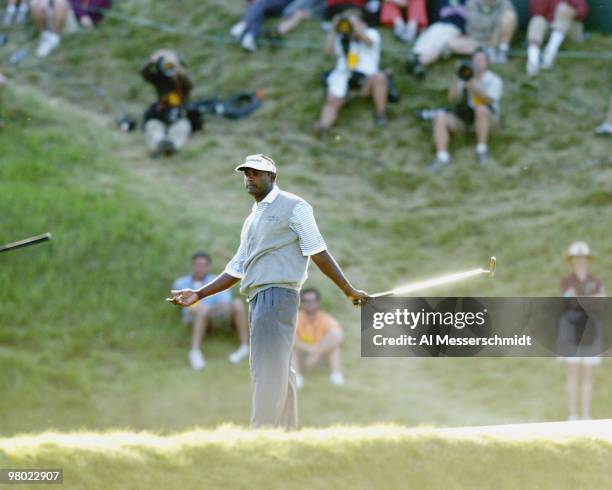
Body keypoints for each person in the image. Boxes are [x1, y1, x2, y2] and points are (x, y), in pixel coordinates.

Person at [168, 154, 369, 429]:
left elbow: (317, 250)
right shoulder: (253, 217)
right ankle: (286, 431)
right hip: (260, 297)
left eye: (256, 173)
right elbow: (237, 267)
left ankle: (261, 430)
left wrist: (347, 289)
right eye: (246, 173)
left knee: (265, 367)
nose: (249, 177)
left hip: (277, 295)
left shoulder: (294, 206)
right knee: (278, 368)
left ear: (272, 177)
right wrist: (199, 294)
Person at [173, 252, 250, 370]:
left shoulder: (216, 281)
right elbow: (182, 304)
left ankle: (245, 347)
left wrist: (207, 309)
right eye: (198, 265)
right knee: (200, 310)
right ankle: (195, 351)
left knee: (237, 304)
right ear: (193, 266)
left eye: (204, 265)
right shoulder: (181, 283)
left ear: (208, 267)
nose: (200, 268)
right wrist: (200, 308)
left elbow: (225, 303)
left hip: (214, 316)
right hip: (192, 316)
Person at [315, 11, 387, 136]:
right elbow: (328, 51)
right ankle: (323, 126)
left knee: (379, 77)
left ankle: (380, 115)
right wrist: (334, 28)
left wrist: (355, 27)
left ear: (363, 23)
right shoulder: (342, 38)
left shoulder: (372, 33)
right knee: (332, 100)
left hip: (366, 77)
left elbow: (368, 42)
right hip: (344, 76)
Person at [428, 48, 502, 170]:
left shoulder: (494, 80)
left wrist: (473, 88)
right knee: (440, 117)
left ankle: (482, 150)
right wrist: (456, 78)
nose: (477, 63)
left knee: (481, 110)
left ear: (487, 63)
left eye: (481, 60)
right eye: (475, 60)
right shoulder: (464, 77)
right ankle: (442, 156)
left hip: (488, 120)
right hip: (464, 120)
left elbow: (489, 100)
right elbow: (451, 99)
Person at [557, 241, 606, 421]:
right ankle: (573, 415)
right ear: (572, 261)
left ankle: (586, 415)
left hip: (590, 331)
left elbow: (601, 304)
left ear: (587, 259)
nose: (579, 261)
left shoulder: (596, 281)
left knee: (587, 373)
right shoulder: (566, 282)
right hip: (571, 331)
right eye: (576, 258)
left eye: (582, 258)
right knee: (572, 372)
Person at [141, 49, 193, 158]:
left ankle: (172, 146)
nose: (169, 67)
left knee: (183, 127)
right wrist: (152, 61)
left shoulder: (182, 81)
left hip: (178, 115)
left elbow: (189, 85)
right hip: (161, 114)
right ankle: (160, 143)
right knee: (152, 126)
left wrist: (179, 70)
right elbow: (144, 73)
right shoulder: (160, 79)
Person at [293, 288, 345, 389]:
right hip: (302, 352)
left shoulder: (325, 318)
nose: (309, 304)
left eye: (312, 301)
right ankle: (297, 377)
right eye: (305, 301)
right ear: (301, 303)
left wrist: (316, 352)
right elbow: (288, 338)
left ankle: (336, 375)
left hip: (320, 354)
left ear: (318, 302)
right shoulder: (295, 317)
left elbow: (338, 335)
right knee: (290, 349)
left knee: (334, 348)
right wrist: (309, 349)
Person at [526, 0, 587, 77]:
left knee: (563, 9)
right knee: (537, 20)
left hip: (571, 29)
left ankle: (549, 55)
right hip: (550, 26)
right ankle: (533, 61)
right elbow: (537, 11)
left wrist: (570, 12)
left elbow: (582, 11)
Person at [407, 0, 467, 78]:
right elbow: (435, 15)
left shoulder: (466, 2)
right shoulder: (442, 1)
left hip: (456, 28)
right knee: (431, 33)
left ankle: (420, 63)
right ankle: (417, 57)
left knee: (442, 40)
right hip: (440, 25)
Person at [30, 0, 111, 57]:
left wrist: (85, 17)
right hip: (62, 16)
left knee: (61, 2)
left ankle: (53, 39)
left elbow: (94, 15)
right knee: (35, 2)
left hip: (75, 23)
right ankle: (45, 35)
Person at [448, 0, 517, 64]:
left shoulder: (503, 1)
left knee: (509, 17)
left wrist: (495, 25)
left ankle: (502, 51)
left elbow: (510, 13)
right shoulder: (472, 2)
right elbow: (475, 22)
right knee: (451, 43)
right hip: (478, 38)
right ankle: (486, 52)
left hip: (496, 35)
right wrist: (496, 21)